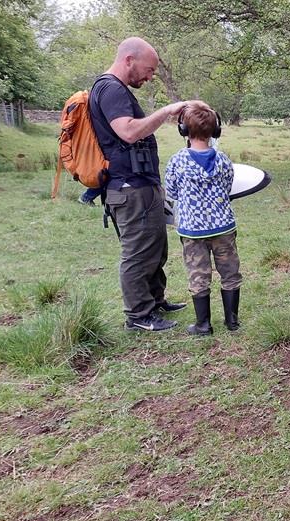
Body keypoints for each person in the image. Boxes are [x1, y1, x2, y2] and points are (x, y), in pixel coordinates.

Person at [91, 37, 187, 331]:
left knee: (155, 247)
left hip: (141, 185)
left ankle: (155, 301)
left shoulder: (116, 89)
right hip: (128, 188)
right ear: (129, 60)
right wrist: (168, 111)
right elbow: (128, 133)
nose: (150, 76)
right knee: (137, 252)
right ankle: (139, 315)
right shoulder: (110, 89)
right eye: (149, 70)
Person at [164, 101, 242, 335]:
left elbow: (172, 192)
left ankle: (203, 324)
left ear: (184, 131)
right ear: (214, 131)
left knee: (198, 275)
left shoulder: (177, 161)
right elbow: (228, 187)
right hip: (223, 228)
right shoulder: (223, 160)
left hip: (192, 231)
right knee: (230, 272)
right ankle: (232, 321)